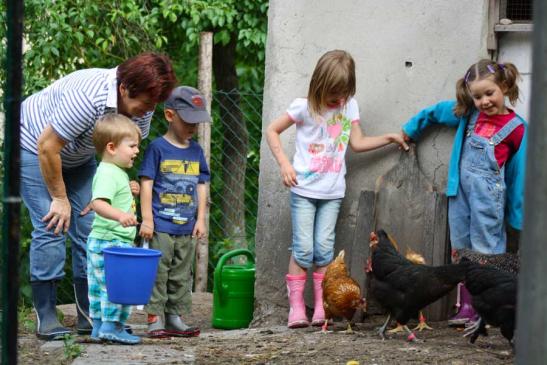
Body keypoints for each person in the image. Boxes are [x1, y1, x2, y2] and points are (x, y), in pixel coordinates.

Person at [20, 52, 176, 340]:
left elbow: (121, 155)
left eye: (152, 105)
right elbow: (47, 147)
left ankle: (90, 315)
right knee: (53, 224)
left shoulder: (144, 104)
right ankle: (46, 316)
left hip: (78, 158)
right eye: (144, 104)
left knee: (91, 229)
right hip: (34, 147)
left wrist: (123, 187)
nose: (147, 112)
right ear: (123, 89)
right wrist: (60, 197)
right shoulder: (87, 96)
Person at [265, 50, 409, 328]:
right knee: (303, 249)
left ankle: (322, 305)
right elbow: (272, 130)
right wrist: (284, 164)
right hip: (304, 190)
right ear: (319, 85)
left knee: (323, 250)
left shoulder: (349, 107)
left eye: (344, 93)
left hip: (332, 192)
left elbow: (357, 142)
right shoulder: (303, 107)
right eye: (333, 93)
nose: (338, 99)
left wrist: (389, 138)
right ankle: (296, 308)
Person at [401, 59, 527, 326]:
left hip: (489, 202)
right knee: (462, 249)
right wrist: (410, 129)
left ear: (504, 86)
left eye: (489, 93)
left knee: (487, 250)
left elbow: (519, 175)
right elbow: (435, 112)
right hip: (460, 196)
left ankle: (487, 309)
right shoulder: (468, 114)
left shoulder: (517, 129)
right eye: (477, 96)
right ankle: (467, 307)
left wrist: (517, 216)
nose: (483, 101)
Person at [138, 86, 210, 338]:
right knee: (158, 272)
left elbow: (202, 185)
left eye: (197, 122)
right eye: (188, 121)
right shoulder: (157, 148)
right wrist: (147, 219)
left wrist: (200, 218)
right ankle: (155, 317)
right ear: (170, 115)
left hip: (187, 226)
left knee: (181, 274)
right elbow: (146, 184)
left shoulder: (196, 152)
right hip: (161, 225)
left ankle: (174, 317)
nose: (193, 127)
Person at [86, 114, 142, 344]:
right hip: (111, 241)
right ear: (111, 147)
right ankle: (111, 327)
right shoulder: (109, 173)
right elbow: (98, 203)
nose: (137, 150)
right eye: (132, 146)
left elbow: (114, 194)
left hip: (103, 240)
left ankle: (99, 327)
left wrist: (130, 189)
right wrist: (120, 216)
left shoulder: (114, 172)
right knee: (116, 286)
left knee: (100, 288)